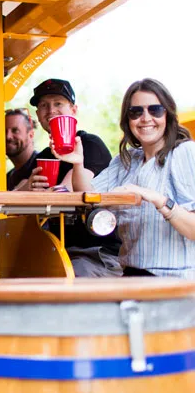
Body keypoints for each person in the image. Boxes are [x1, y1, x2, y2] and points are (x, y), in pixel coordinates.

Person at [59, 78, 195, 277]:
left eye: (155, 110)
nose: (145, 118)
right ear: (127, 120)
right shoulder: (127, 159)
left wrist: (155, 198)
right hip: (131, 275)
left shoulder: (184, 152)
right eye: (136, 112)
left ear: (168, 115)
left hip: (174, 280)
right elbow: (89, 197)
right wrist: (78, 163)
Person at [22, 78, 121, 277]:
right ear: (38, 115)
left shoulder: (90, 144)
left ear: (73, 110)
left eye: (58, 103)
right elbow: (13, 196)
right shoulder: (42, 156)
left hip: (94, 254)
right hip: (56, 253)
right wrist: (27, 189)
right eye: (43, 105)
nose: (50, 111)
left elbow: (66, 191)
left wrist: (32, 196)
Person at [5, 108, 38, 190]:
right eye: (4, 131)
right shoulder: (8, 177)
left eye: (15, 131)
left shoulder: (42, 165)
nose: (8, 136)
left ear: (31, 135)